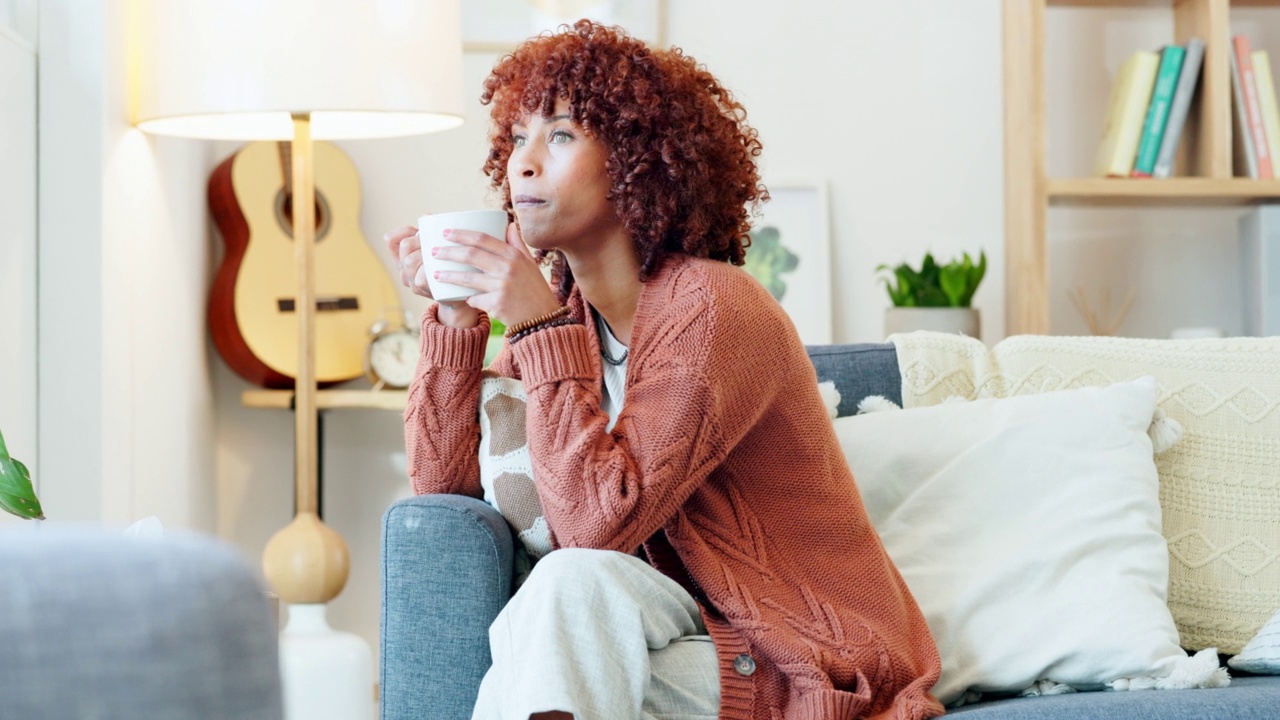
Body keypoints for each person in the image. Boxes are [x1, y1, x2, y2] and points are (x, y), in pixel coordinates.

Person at [384, 20, 943, 720]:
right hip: (655, 634)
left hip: (794, 655)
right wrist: (458, 320)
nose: (522, 163)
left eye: (559, 136)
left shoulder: (711, 307)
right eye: (516, 137)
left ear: (637, 162)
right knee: (560, 616)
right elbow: (441, 490)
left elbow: (595, 528)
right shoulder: (567, 315)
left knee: (565, 592)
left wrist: (534, 327)